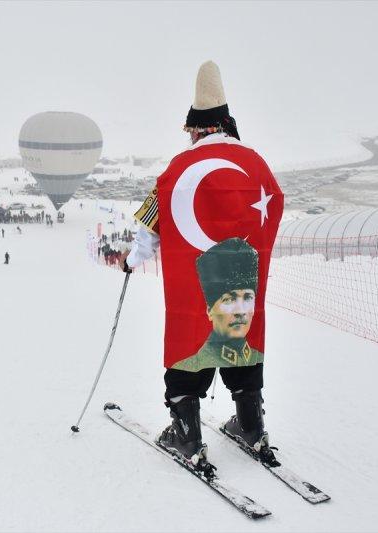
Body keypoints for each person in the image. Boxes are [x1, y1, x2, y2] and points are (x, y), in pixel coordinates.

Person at [121, 60, 284, 466]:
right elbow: (276, 205)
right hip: (246, 279)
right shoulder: (257, 164)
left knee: (188, 342)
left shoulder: (178, 168)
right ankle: (251, 426)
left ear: (197, 128)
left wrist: (131, 260)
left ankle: (186, 436)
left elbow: (150, 226)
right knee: (242, 340)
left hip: (194, 286)